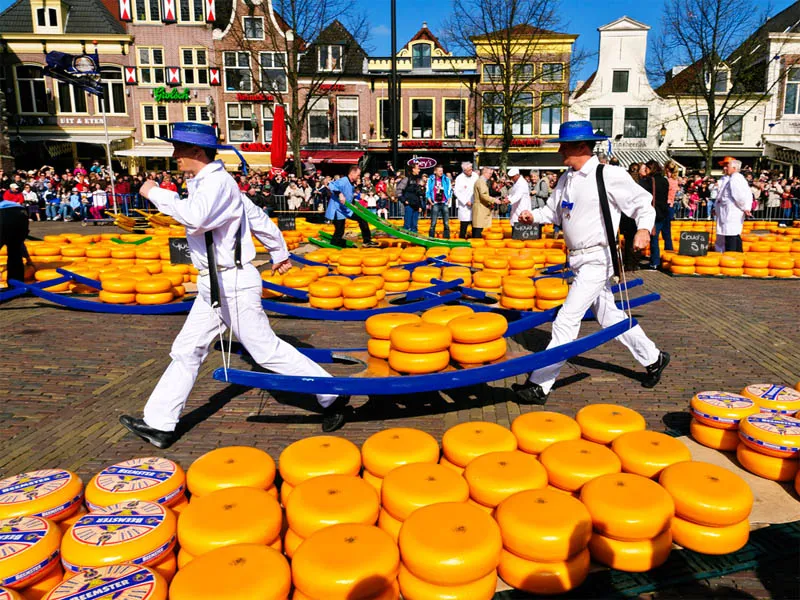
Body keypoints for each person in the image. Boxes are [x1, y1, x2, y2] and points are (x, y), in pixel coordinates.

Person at [119, 123, 350, 449]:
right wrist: (279, 251)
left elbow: (195, 218)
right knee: (187, 350)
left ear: (196, 152)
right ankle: (159, 424)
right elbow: (257, 217)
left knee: (266, 350)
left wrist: (155, 193)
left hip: (232, 282)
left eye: (179, 150)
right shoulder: (209, 183)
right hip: (215, 283)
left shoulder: (217, 184)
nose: (174, 157)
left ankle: (332, 395)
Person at [512, 121, 670, 404]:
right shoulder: (566, 179)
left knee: (567, 319)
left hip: (598, 258)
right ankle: (654, 358)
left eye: (564, 145)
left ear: (582, 147)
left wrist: (644, 229)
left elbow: (642, 203)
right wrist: (532, 216)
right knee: (610, 316)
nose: (560, 150)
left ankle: (539, 384)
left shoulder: (608, 174)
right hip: (577, 258)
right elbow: (553, 212)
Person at [326, 166, 379, 248]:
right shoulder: (343, 180)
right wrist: (340, 194)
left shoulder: (352, 184)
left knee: (362, 218)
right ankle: (334, 245)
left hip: (346, 209)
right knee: (339, 231)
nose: (359, 177)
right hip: (337, 210)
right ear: (352, 173)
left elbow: (349, 195)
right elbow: (331, 185)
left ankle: (367, 240)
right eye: (358, 175)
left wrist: (355, 201)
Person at [714, 157, 752, 252]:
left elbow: (739, 195)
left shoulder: (735, 179)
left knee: (731, 235)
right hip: (728, 211)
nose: (725, 168)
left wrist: (745, 207)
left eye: (727, 166)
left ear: (734, 168)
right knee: (732, 234)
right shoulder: (731, 178)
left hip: (732, 212)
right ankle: (736, 254)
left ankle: (732, 257)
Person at [638, 160, 669, 270]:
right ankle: (662, 259)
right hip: (663, 211)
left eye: (646, 169)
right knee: (664, 236)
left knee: (653, 238)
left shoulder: (649, 181)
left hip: (653, 211)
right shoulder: (664, 181)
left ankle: (655, 261)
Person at [426, 164, 452, 238]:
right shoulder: (430, 179)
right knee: (433, 223)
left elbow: (450, 190)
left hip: (444, 203)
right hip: (435, 203)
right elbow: (427, 191)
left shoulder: (446, 179)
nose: (441, 172)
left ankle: (446, 238)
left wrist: (449, 199)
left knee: (446, 223)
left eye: (442, 171)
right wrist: (430, 201)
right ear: (435, 171)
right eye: (439, 171)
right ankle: (431, 238)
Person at [472, 166, 498, 238]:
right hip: (480, 207)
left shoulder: (482, 181)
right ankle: (476, 245)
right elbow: (483, 195)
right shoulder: (481, 182)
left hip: (481, 207)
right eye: (489, 173)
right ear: (484, 173)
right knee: (478, 228)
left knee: (478, 227)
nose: (490, 175)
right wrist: (494, 200)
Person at [454, 162, 478, 239]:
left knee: (475, 226)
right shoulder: (459, 178)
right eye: (468, 170)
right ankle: (462, 241)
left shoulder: (475, 176)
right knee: (464, 226)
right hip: (464, 206)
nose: (471, 171)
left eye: (471, 169)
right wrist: (465, 201)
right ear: (464, 170)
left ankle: (474, 241)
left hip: (474, 204)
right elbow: (456, 192)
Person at [400, 164, 424, 233]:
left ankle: (415, 238)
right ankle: (406, 238)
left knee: (414, 225)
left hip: (416, 205)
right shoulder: (406, 179)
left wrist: (420, 206)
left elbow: (418, 194)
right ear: (413, 169)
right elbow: (399, 190)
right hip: (409, 204)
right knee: (407, 225)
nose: (419, 170)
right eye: (418, 168)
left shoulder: (418, 180)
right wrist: (404, 200)